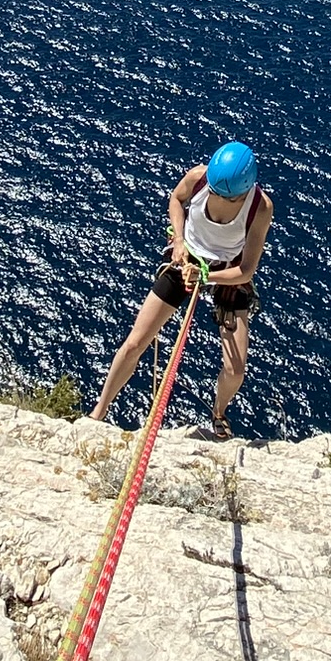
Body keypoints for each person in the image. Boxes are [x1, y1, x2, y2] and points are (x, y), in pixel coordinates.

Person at [88, 141, 273, 438]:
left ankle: (219, 411)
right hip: (186, 257)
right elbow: (177, 199)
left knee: (236, 369)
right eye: (214, 190)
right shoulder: (198, 179)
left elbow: (246, 269)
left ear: (245, 191)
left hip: (226, 271)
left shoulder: (260, 207)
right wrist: (178, 241)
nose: (216, 197)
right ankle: (99, 410)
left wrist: (205, 278)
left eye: (226, 197)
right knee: (136, 342)